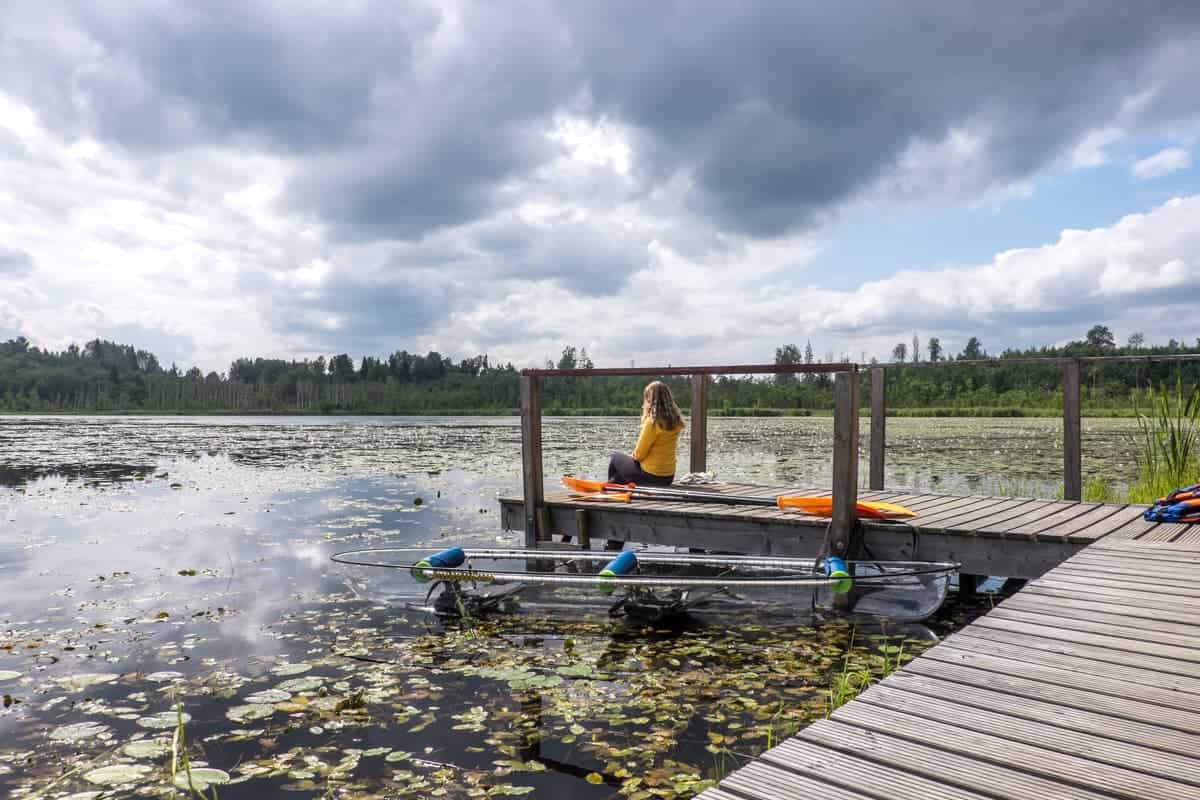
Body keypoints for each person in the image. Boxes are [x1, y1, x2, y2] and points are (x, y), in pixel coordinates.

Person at [608, 381, 685, 487]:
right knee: (622, 472)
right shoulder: (676, 421)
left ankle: (610, 487)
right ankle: (614, 483)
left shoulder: (652, 422)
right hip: (668, 478)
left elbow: (639, 455)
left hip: (650, 477)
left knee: (615, 457)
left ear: (650, 400)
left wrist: (632, 457)